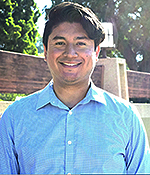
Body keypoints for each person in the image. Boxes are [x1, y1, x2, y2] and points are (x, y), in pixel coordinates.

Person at [0, 2, 150, 174]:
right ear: (45, 51)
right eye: (59, 43)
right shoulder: (14, 118)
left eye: (80, 43)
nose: (70, 53)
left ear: (96, 52)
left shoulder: (126, 117)